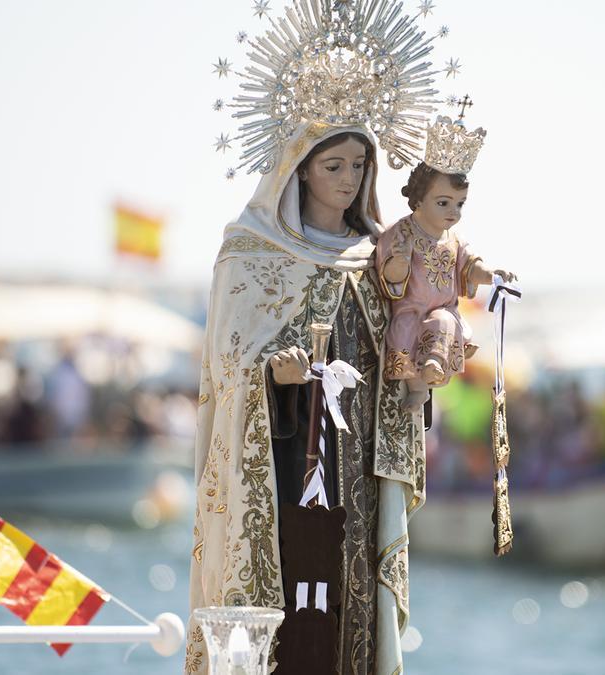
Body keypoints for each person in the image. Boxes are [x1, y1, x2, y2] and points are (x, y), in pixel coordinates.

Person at [186, 122, 425, 675]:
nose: (349, 179)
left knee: (353, 587)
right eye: (333, 166)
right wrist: (274, 374)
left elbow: (395, 348)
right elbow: (229, 361)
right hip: (281, 459)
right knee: (290, 590)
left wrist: (424, 362)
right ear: (300, 169)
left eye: (359, 165)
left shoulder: (381, 257)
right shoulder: (251, 252)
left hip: (359, 463)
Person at [376, 162, 515, 410]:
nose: (454, 211)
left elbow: (471, 267)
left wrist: (492, 275)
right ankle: (419, 388)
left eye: (459, 204)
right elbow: (389, 276)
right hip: (410, 310)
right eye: (443, 203)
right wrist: (400, 260)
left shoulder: (455, 239)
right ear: (419, 200)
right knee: (403, 332)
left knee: (443, 322)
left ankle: (434, 363)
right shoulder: (401, 234)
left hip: (444, 309)